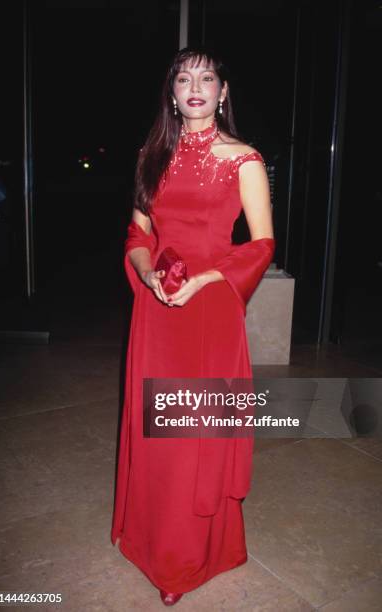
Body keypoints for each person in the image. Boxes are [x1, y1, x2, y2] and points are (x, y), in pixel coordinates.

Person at [110, 46, 275, 606]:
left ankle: (185, 560)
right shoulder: (151, 155)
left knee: (191, 437)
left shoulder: (244, 158)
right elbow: (138, 236)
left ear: (223, 91)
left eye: (207, 77)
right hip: (157, 310)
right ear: (173, 94)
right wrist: (149, 273)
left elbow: (261, 244)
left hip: (210, 311)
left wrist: (203, 280)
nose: (196, 86)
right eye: (184, 78)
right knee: (157, 438)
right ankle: (151, 540)